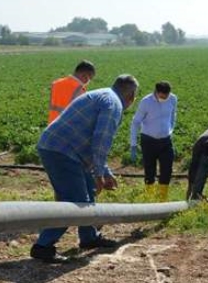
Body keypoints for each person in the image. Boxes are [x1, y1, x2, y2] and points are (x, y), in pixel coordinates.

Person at [31, 74, 139, 263]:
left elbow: (94, 146)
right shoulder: (113, 105)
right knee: (75, 202)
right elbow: (100, 143)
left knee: (88, 190)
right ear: (132, 96)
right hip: (62, 150)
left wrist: (104, 172)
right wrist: (99, 174)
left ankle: (89, 237)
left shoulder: (105, 95)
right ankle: (43, 246)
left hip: (65, 149)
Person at [129, 81, 177, 201]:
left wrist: (170, 130)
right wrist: (133, 144)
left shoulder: (173, 99)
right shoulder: (146, 102)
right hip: (148, 141)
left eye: (166, 96)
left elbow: (173, 115)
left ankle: (162, 198)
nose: (164, 99)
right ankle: (149, 198)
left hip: (166, 141)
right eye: (162, 97)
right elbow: (135, 122)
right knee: (149, 171)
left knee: (167, 170)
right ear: (156, 92)